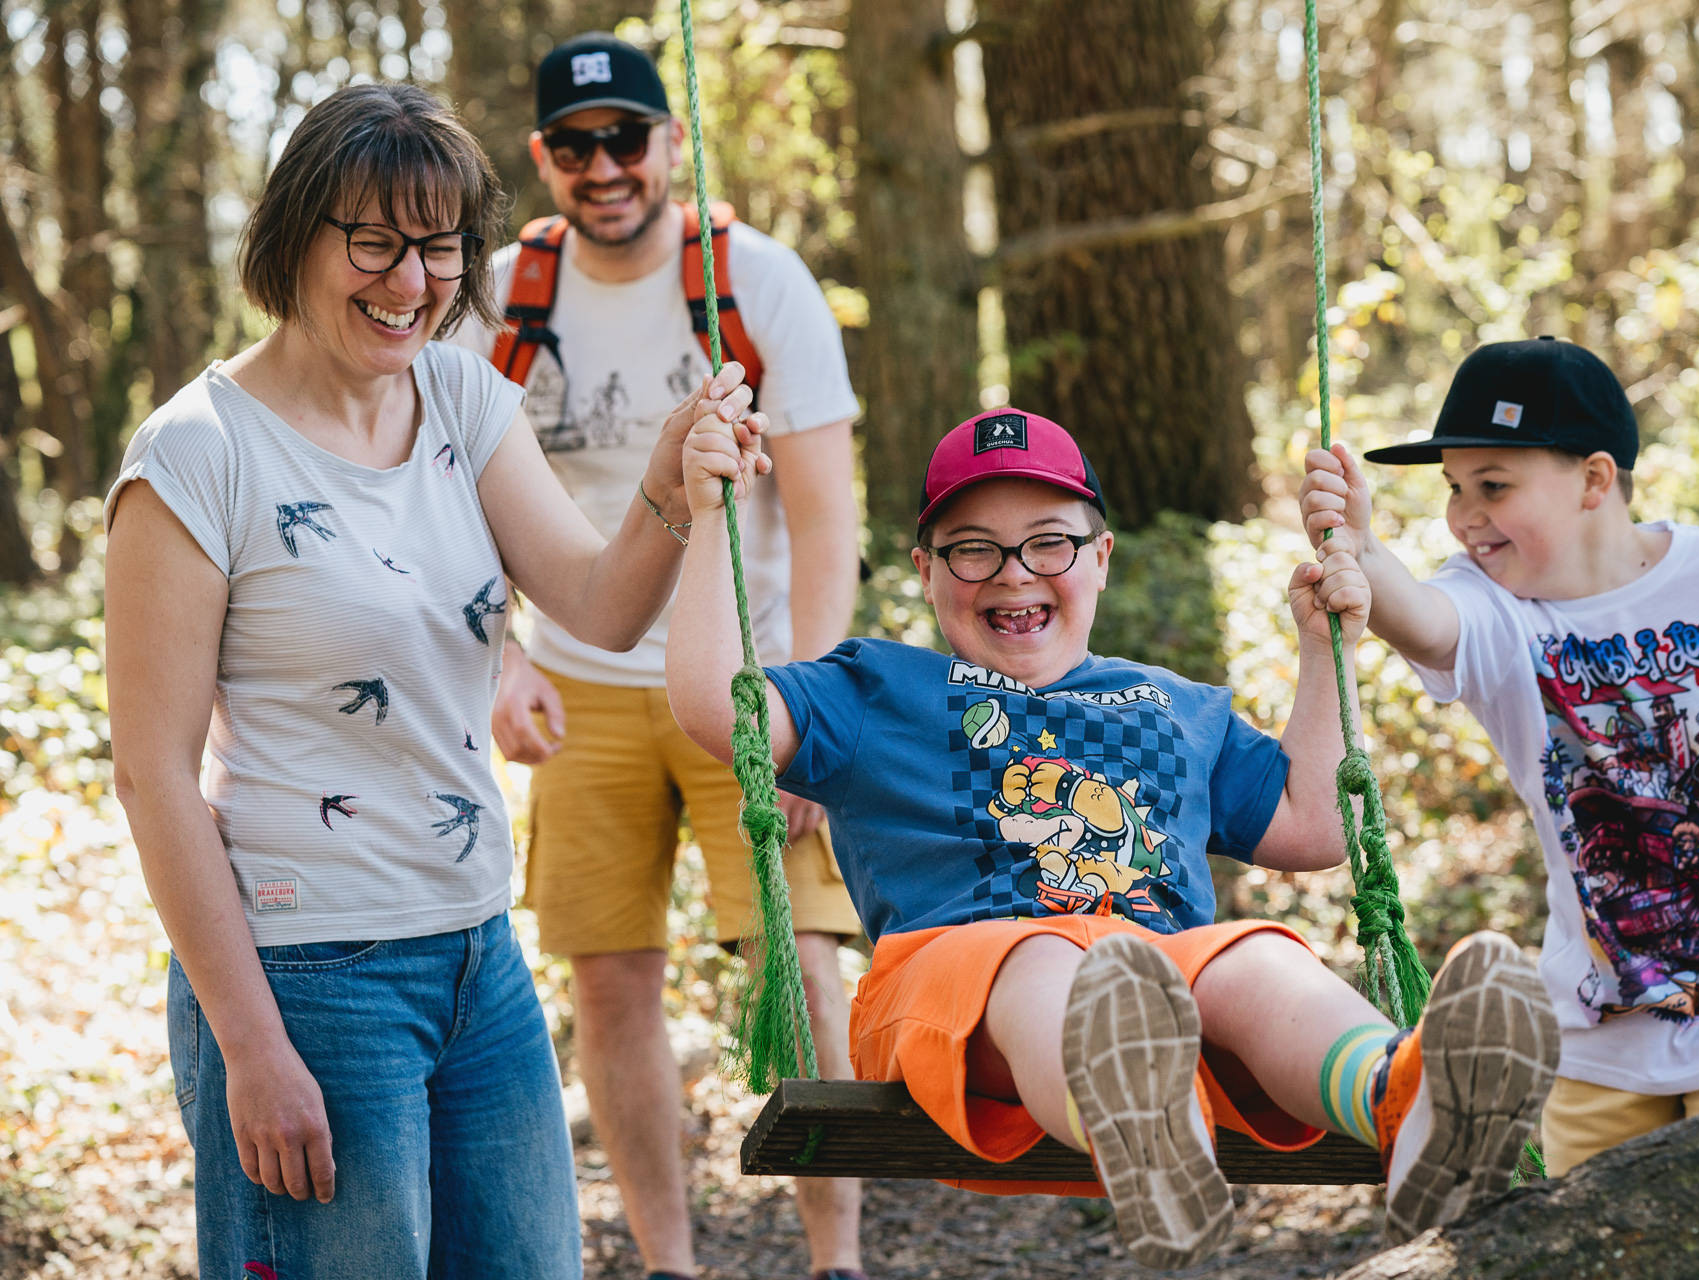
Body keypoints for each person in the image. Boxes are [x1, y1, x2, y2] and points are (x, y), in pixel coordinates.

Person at [104, 82, 768, 1278]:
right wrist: (249, 1047)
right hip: (307, 974)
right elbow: (152, 774)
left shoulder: (461, 397)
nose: (409, 283)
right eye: (372, 242)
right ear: (293, 235)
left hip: (478, 956)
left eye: (439, 248)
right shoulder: (197, 454)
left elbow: (602, 602)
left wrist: (673, 482)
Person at [666, 406, 1562, 1267]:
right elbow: (718, 707)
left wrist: (1327, 650)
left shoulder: (1177, 706)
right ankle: (1138, 1130)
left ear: (1099, 559)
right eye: (972, 550)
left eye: (1048, 542)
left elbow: (1313, 826)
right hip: (959, 987)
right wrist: (713, 518)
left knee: (1256, 959)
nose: (1013, 572)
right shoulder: (872, 689)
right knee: (1049, 963)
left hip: (1161, 994)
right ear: (926, 571)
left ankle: (1411, 1102)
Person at [447, 31, 866, 1280]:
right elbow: (449, 490)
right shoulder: (503, 295)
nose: (604, 166)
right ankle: (670, 1261)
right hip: (582, 685)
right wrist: (503, 659)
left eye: (625, 137)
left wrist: (811, 707)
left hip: (750, 680)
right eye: (575, 147)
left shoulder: (756, 279)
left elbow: (830, 511)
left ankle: (836, 1255)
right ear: (543, 159)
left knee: (800, 963)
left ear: (669, 142)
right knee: (611, 979)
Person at [1298, 336, 1699, 1177]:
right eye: (1453, 488)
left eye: (1494, 485)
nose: (1465, 514)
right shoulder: (1495, 608)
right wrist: (1364, 553)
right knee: (1596, 1232)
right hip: (1599, 1019)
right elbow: (1425, 617)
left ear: (1595, 480)